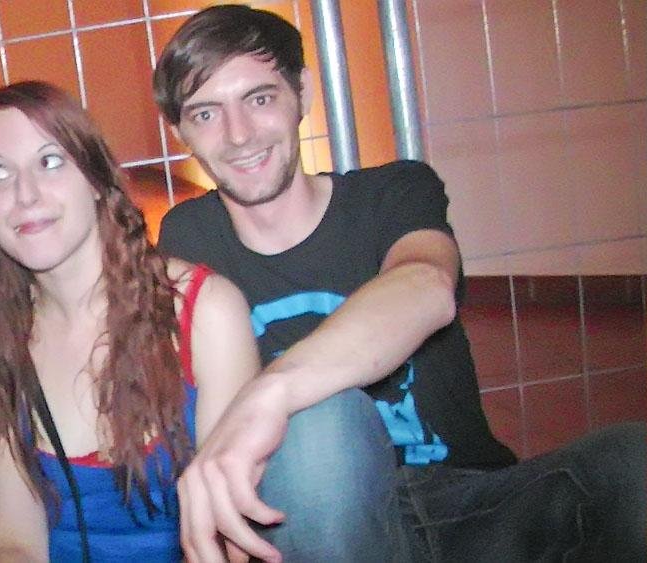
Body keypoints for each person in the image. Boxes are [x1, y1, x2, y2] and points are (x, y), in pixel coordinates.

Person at [152, 5, 647, 562]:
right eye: (206, 113)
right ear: (180, 132)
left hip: (466, 501)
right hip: (313, 515)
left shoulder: (392, 194)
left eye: (260, 99)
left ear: (303, 94)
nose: (239, 134)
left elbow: (426, 285)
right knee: (320, 427)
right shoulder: (189, 236)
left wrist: (272, 392)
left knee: (631, 462)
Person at [0, 80, 259, 561]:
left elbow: (227, 539)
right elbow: (18, 543)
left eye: (49, 161)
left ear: (97, 179)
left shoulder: (204, 312)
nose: (25, 194)